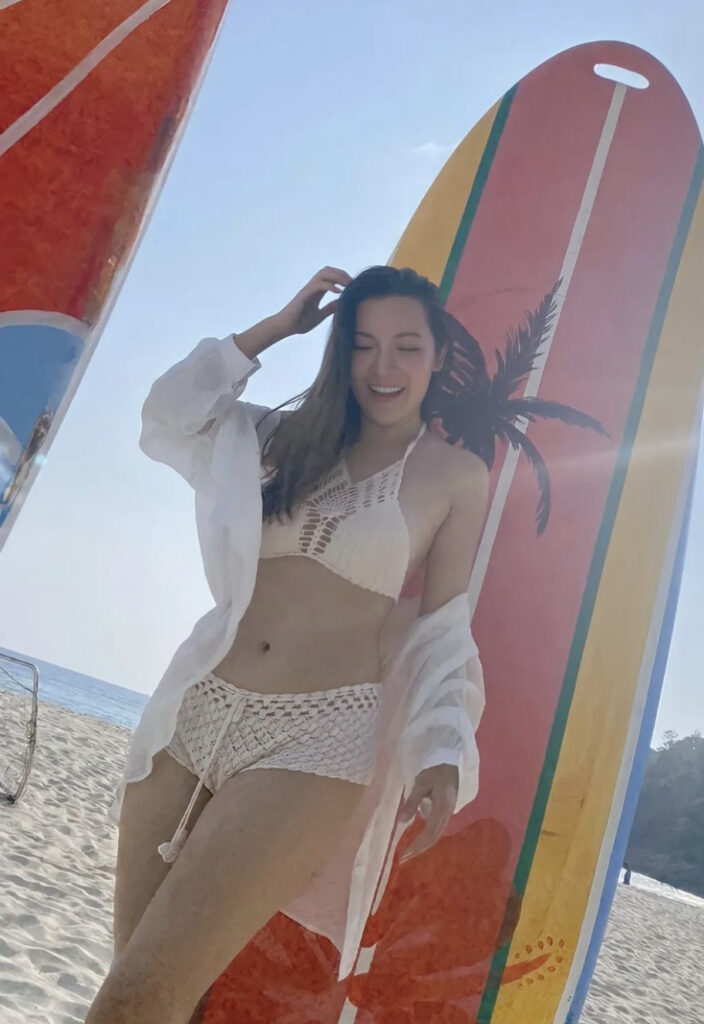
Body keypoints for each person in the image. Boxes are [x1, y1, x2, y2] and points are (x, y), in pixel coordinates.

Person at [87, 266, 489, 1024]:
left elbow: (443, 628)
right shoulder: (277, 438)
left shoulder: (456, 477)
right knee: (137, 986)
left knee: (136, 1003)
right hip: (193, 709)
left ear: (438, 356)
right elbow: (167, 417)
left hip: (314, 737)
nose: (383, 366)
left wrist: (441, 747)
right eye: (363, 344)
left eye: (407, 347)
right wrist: (273, 329)